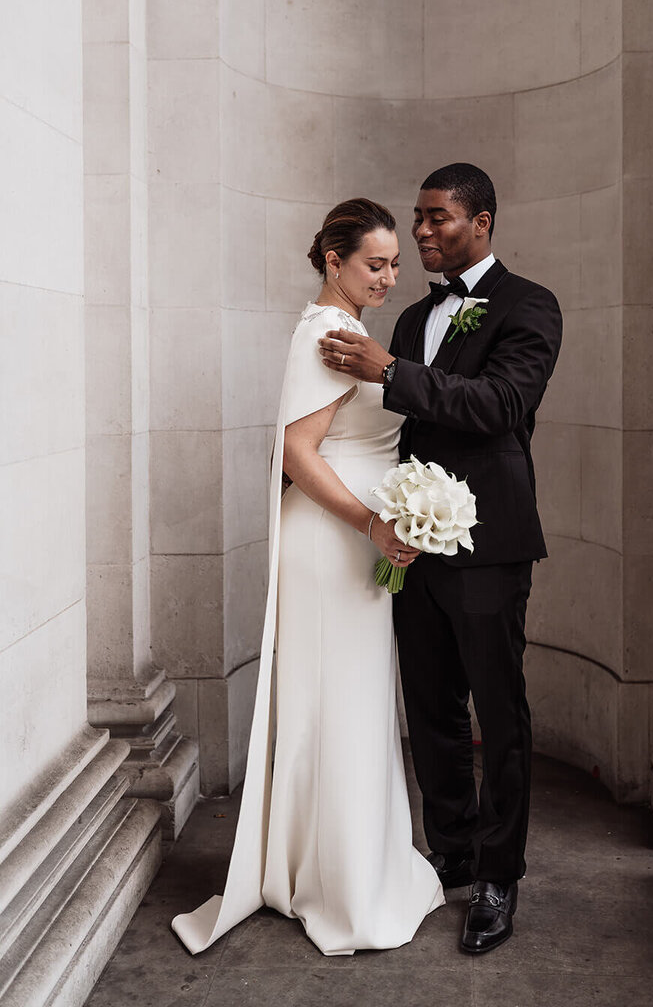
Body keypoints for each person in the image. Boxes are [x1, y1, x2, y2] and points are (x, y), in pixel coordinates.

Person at [172, 198, 444, 958]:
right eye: (374, 263)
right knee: (341, 700)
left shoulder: (349, 329)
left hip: (354, 536)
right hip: (335, 539)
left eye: (394, 263)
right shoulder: (324, 333)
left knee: (349, 703)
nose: (389, 276)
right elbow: (297, 454)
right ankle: (338, 885)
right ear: (333, 260)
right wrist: (372, 524)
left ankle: (336, 867)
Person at [318, 163, 562, 955]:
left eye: (436, 219)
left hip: (488, 545)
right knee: (429, 709)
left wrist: (390, 371)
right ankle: (451, 851)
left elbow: (498, 407)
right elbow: (400, 431)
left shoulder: (530, 306)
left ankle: (498, 874)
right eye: (418, 220)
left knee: (500, 712)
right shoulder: (416, 316)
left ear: (481, 221)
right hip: (412, 545)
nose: (421, 232)